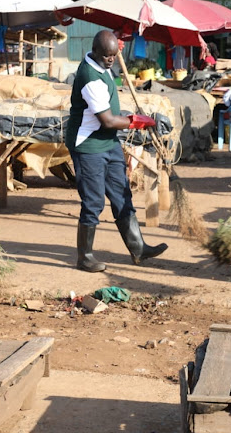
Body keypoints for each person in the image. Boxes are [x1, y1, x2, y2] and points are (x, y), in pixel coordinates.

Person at [66, 30, 167, 272]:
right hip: (89, 144)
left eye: (114, 55)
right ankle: (85, 256)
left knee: (122, 194)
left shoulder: (102, 66)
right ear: (96, 52)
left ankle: (138, 248)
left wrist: (134, 118)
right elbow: (108, 121)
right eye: (107, 55)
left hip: (108, 143)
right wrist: (136, 121)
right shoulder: (90, 76)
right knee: (93, 201)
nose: (111, 60)